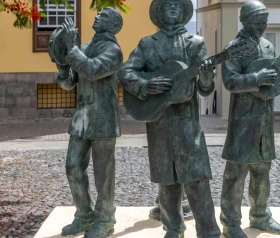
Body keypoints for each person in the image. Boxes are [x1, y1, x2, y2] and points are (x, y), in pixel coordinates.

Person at [118, 0, 221, 237]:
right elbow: (126, 72)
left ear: (184, 12)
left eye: (177, 4)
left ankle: (208, 231)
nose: (172, 7)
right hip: (159, 122)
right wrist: (145, 85)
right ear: (159, 12)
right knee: (167, 181)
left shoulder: (197, 44)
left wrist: (206, 77)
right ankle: (173, 228)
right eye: (167, 5)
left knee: (197, 179)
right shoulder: (146, 44)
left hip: (188, 122)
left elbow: (205, 89)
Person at [219, 1, 280, 237]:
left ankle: (260, 216)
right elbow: (229, 81)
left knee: (262, 173)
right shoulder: (234, 47)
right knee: (235, 175)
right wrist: (256, 78)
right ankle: (231, 222)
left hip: (265, 122)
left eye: (264, 22)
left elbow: (276, 84)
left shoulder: (268, 46)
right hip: (243, 122)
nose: (261, 26)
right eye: (257, 22)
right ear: (244, 21)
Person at [52, 8, 123, 238]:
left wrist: (72, 50)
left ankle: (105, 219)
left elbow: (92, 70)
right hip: (81, 119)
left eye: (102, 16)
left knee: (103, 173)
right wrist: (62, 64)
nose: (95, 16)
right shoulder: (84, 48)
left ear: (112, 25)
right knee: (73, 166)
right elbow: (69, 83)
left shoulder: (113, 50)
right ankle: (84, 215)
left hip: (103, 120)